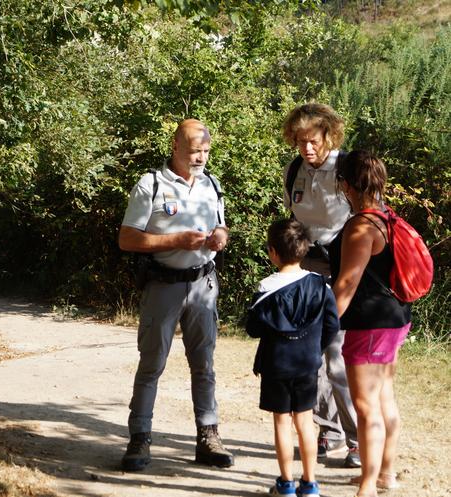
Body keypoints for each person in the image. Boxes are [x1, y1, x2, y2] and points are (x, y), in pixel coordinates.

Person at [118, 119, 233, 472]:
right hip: (163, 285)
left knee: (204, 365)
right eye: (195, 150)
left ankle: (208, 435)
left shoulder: (211, 184)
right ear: (176, 147)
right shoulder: (150, 184)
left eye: (206, 151)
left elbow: (222, 225)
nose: (201, 157)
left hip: (203, 286)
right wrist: (176, 240)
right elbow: (127, 239)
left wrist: (221, 237)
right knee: (152, 364)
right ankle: (139, 438)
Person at [281, 103, 360, 468]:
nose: (306, 149)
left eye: (312, 141)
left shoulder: (347, 170)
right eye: (299, 142)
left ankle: (358, 439)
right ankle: (327, 433)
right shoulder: (294, 170)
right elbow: (296, 226)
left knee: (338, 358)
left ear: (329, 135)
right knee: (311, 357)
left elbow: (368, 221)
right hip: (307, 271)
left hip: (344, 271)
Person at [330, 151, 411, 497]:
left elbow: (347, 284)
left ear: (346, 185)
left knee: (365, 406)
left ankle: (367, 484)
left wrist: (322, 324)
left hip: (371, 325)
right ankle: (385, 474)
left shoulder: (362, 225)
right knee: (383, 400)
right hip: (394, 318)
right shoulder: (386, 216)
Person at [246, 218, 339, 497]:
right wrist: (315, 348)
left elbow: (253, 329)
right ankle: (310, 484)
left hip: (276, 366)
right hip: (307, 364)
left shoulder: (266, 289)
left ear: (273, 252)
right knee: (305, 421)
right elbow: (332, 325)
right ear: (306, 248)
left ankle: (285, 484)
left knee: (282, 423)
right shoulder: (321, 285)